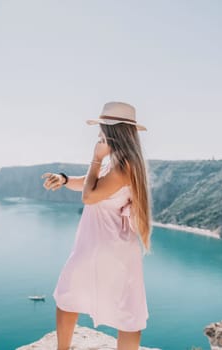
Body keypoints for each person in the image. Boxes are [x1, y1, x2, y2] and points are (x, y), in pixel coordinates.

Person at [41, 101, 152, 350]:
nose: (99, 132)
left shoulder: (122, 165)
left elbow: (90, 196)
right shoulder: (123, 162)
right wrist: (66, 179)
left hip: (101, 246)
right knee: (128, 310)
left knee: (67, 295)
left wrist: (94, 158)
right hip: (119, 248)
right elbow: (93, 184)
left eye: (103, 127)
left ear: (112, 130)